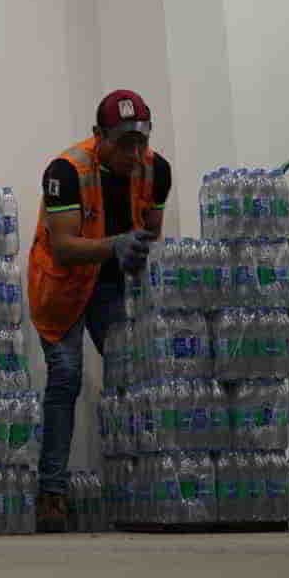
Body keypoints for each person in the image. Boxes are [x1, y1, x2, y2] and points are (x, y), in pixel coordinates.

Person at [27, 89, 171, 533]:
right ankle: (52, 494)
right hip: (63, 288)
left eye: (141, 142)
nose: (134, 154)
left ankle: (137, 487)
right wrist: (115, 245)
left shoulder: (158, 170)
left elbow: (152, 233)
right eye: (124, 143)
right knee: (66, 377)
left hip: (111, 285)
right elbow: (65, 247)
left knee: (130, 379)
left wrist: (141, 253)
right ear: (98, 135)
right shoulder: (66, 171)